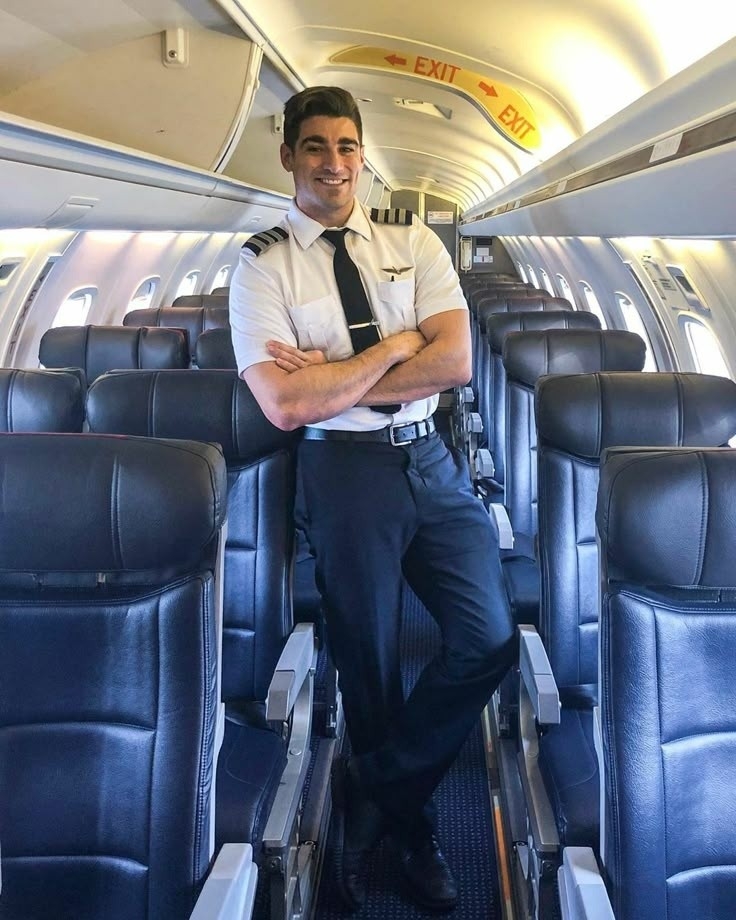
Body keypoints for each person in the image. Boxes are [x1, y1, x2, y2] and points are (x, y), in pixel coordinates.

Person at [229, 85, 515, 913]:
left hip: (429, 460)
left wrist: (336, 373)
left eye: (347, 146)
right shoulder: (261, 264)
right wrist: (395, 346)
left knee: (489, 639)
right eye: (315, 146)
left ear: (363, 154)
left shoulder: (411, 238)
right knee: (370, 662)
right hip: (342, 473)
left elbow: (453, 363)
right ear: (289, 156)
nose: (334, 163)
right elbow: (287, 404)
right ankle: (414, 832)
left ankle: (374, 789)